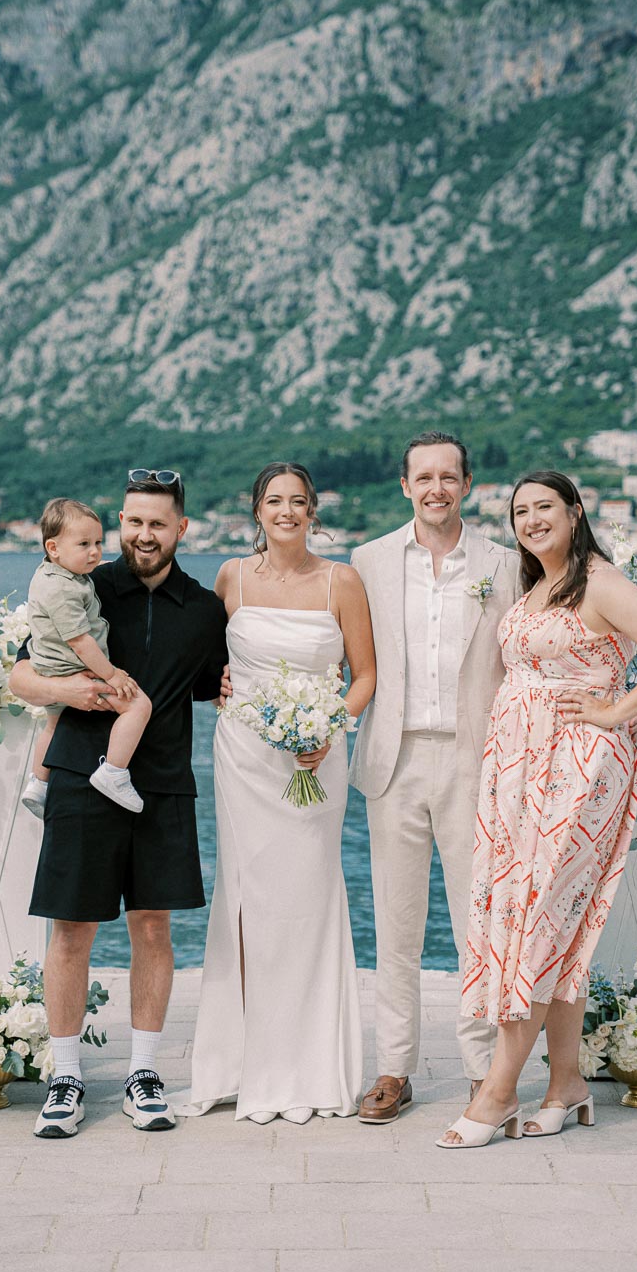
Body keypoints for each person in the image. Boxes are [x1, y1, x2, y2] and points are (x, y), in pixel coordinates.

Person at [437, 469, 637, 1148]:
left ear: (575, 510)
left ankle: (497, 1093)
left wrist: (617, 710)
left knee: (541, 920)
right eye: (521, 511)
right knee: (551, 926)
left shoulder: (598, 579)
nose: (531, 520)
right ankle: (567, 1085)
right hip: (520, 771)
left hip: (580, 769)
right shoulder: (537, 589)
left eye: (544, 507)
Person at [9, 469, 228, 1139]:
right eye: (132, 521)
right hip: (79, 777)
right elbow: (21, 674)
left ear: (181, 528)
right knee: (71, 932)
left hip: (160, 784)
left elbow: (219, 687)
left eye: (157, 523)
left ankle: (142, 1073)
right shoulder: (86, 585)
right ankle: (66, 1077)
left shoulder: (204, 608)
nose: (142, 534)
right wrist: (70, 693)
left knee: (154, 931)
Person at [173, 462, 375, 1124]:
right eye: (273, 501)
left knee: (309, 897)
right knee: (249, 897)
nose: (285, 511)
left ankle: (312, 1068)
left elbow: (366, 674)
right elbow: (206, 660)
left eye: (297, 501)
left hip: (316, 759)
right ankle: (242, 1066)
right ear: (255, 510)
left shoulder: (341, 580)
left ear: (313, 511)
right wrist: (216, 685)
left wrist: (330, 726)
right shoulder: (232, 576)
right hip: (244, 758)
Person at [349, 432, 519, 1123]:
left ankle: (483, 1070)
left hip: (475, 759)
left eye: (449, 477)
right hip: (393, 758)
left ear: (468, 484)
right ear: (405, 485)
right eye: (425, 477)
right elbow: (344, 650)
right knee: (396, 925)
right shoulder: (368, 561)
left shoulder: (505, 565)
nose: (436, 488)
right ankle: (394, 1069)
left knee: (477, 925)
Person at [21, 497, 152, 818]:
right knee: (138, 705)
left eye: (97, 543)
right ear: (54, 548)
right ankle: (114, 772)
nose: (94, 552)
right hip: (73, 670)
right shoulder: (63, 591)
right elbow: (80, 642)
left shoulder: (54, 574)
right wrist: (111, 675)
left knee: (53, 723)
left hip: (48, 668)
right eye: (83, 544)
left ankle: (38, 783)